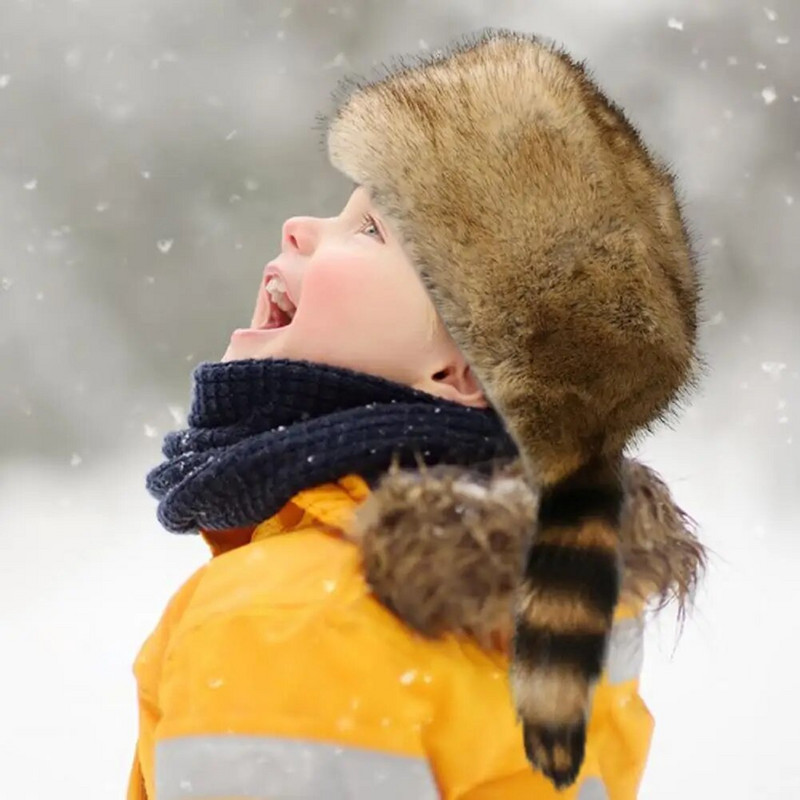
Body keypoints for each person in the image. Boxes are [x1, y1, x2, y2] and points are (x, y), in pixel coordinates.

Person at [129, 31, 703, 800]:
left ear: (463, 370)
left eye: (370, 229)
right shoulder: (552, 613)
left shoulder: (292, 618)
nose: (299, 226)